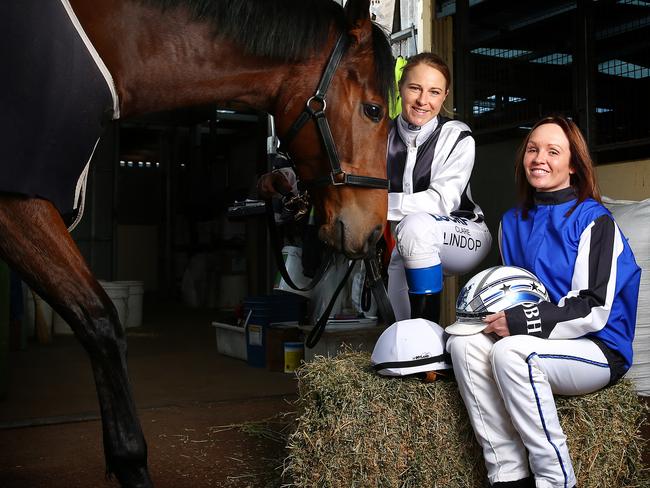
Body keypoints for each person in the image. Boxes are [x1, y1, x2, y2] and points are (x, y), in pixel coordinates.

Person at [445, 116, 641, 487]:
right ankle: (508, 475)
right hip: (541, 339)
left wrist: (517, 323)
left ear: (572, 165)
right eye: (533, 149)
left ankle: (555, 479)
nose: (540, 158)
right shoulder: (511, 222)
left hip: (598, 347)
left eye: (554, 151)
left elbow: (594, 306)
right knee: (464, 343)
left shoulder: (595, 221)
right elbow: (514, 288)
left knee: (511, 353)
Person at [386, 52, 491, 325]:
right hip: (408, 240)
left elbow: (440, 202)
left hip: (466, 233)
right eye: (415, 88)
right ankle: (410, 355)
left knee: (414, 228)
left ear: (444, 96)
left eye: (434, 92)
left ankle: (429, 342)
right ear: (400, 87)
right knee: (399, 314)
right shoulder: (380, 135)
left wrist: (378, 205)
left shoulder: (457, 134)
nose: (423, 101)